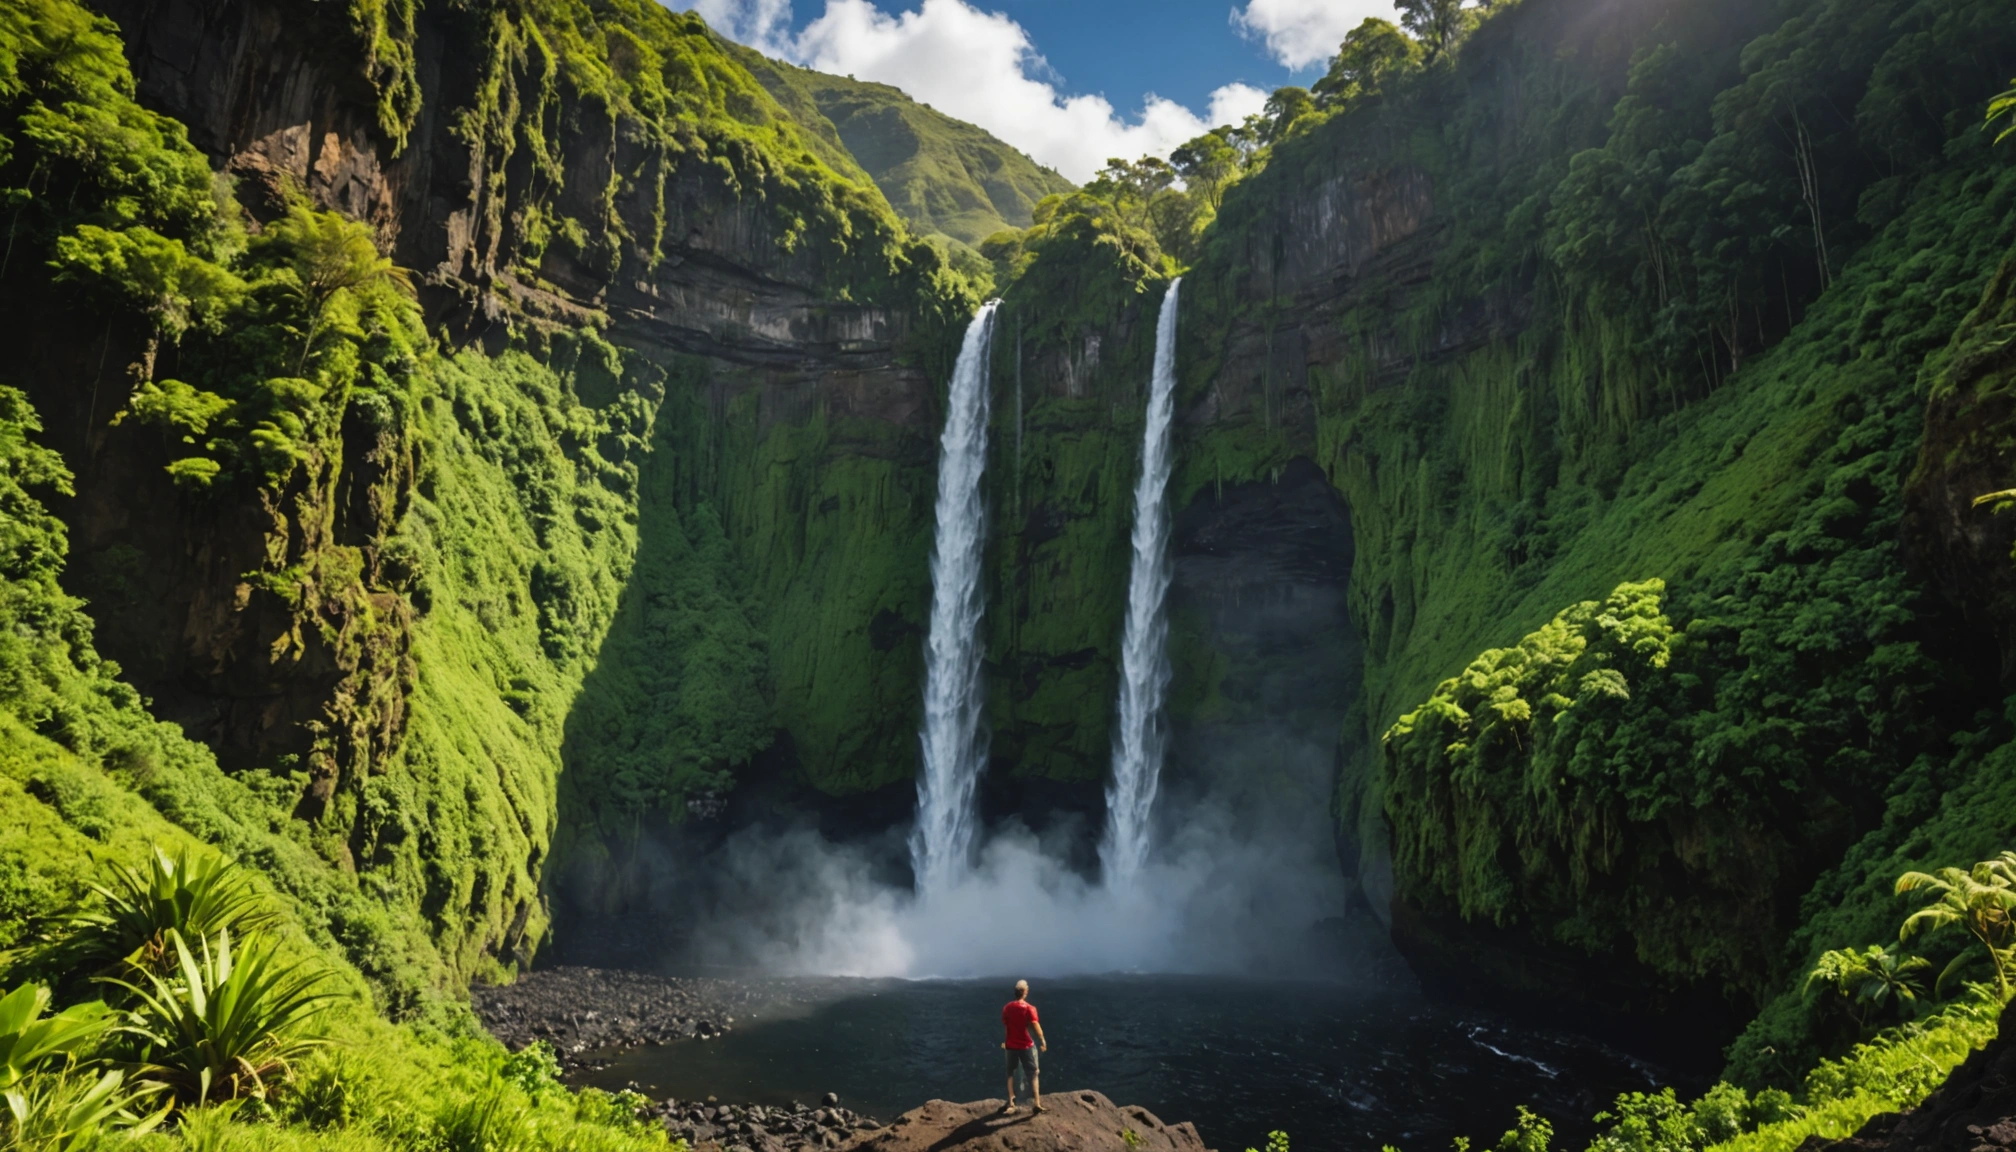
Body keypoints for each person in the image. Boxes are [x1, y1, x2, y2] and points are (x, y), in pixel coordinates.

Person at [999, 979, 1046, 1114]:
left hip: (1010, 1045)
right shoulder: (1029, 1008)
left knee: (1010, 1073)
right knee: (1034, 1072)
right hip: (1026, 1046)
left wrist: (1006, 1041)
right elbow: (1036, 1026)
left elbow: (1007, 1027)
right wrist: (1042, 1040)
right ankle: (1036, 1103)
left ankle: (1011, 1102)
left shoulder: (1007, 1008)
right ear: (1025, 991)